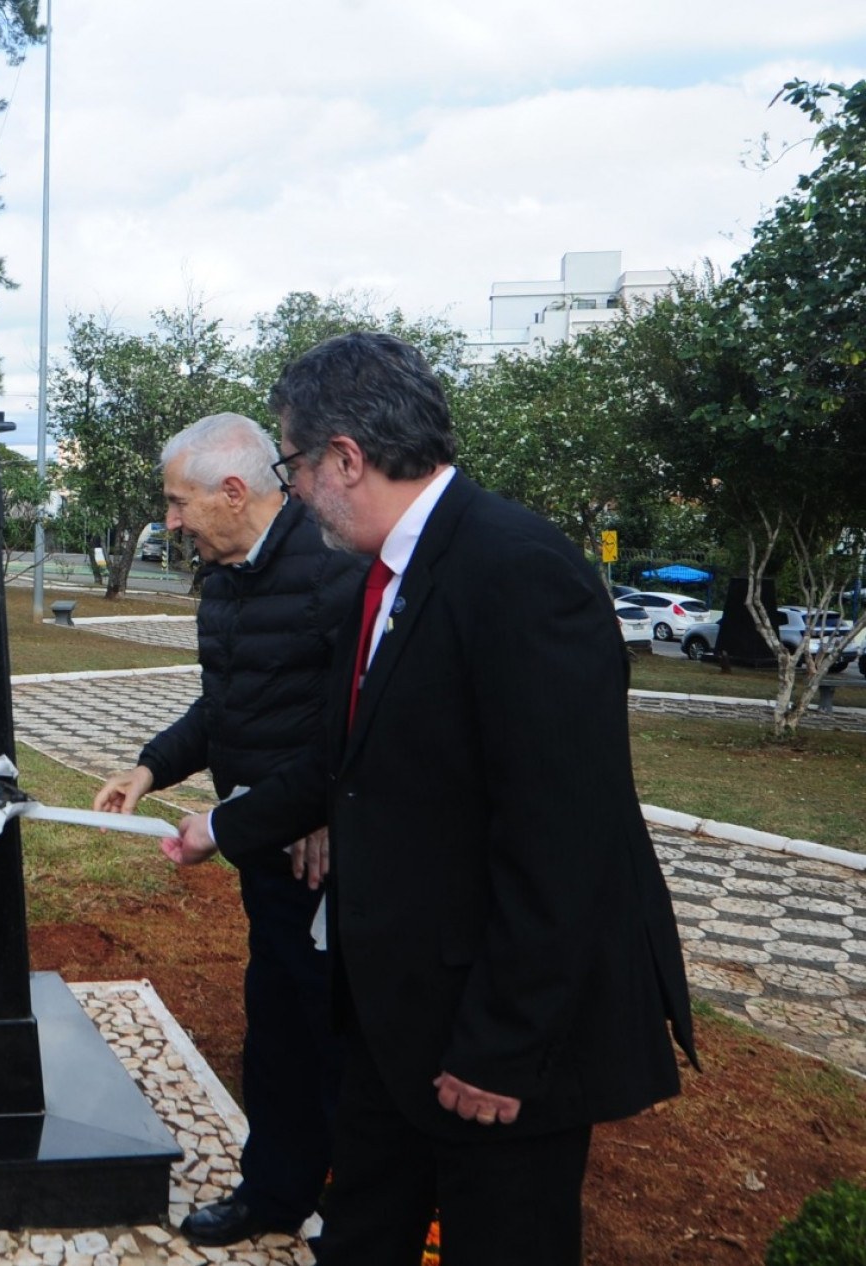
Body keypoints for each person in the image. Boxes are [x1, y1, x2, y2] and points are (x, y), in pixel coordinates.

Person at [190, 333, 696, 1265]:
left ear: (343, 457)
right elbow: (344, 762)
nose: (292, 491)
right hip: (394, 1010)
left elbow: (565, 835)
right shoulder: (382, 577)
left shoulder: (517, 568)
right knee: (361, 1233)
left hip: (498, 1035)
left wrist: (501, 1047)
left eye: (294, 466)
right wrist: (222, 827)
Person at [94, 412, 365, 1247]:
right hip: (268, 854)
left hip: (331, 862)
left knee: (342, 1049)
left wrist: (303, 813)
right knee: (277, 1032)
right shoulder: (227, 581)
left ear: (234, 492)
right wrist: (149, 767)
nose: (170, 520)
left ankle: (357, 1222)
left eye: (178, 503)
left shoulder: (334, 571)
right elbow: (226, 708)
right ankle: (272, 1195)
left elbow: (355, 726)